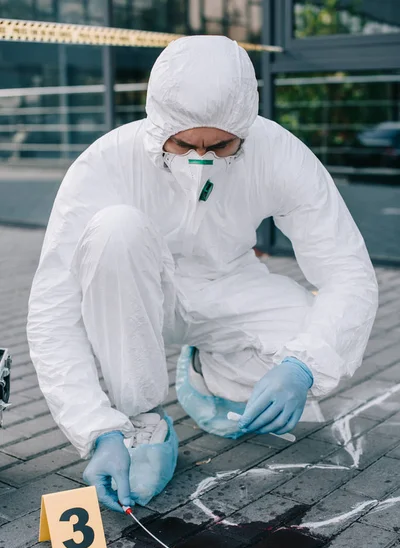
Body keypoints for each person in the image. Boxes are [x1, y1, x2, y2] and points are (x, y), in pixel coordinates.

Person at [27, 36, 378, 513]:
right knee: (116, 229)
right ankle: (139, 423)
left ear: (245, 128)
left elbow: (347, 273)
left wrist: (302, 366)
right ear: (158, 125)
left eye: (221, 145)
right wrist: (95, 426)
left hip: (229, 286)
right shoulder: (105, 162)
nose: (201, 159)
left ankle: (204, 373)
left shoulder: (279, 152)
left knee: (313, 340)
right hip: (135, 294)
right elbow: (54, 308)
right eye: (183, 143)